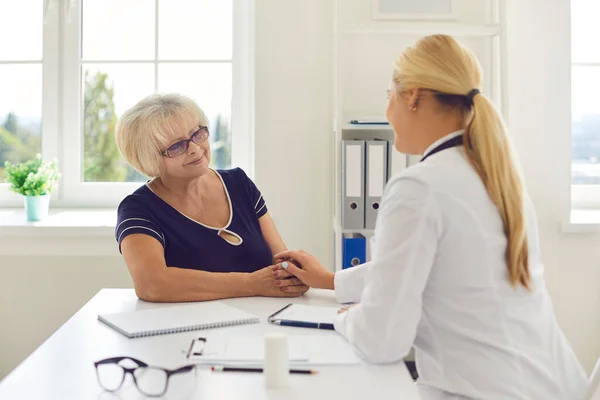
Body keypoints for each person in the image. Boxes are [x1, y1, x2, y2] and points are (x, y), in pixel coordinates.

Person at [274, 35, 587, 399]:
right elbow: (438, 266)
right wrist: (331, 280)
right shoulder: (497, 177)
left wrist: (346, 318)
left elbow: (382, 341)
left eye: (388, 93)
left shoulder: (419, 187)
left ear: (412, 96)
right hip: (555, 384)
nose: (387, 108)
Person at [114, 93, 307, 302]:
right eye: (177, 146)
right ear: (149, 157)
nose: (195, 149)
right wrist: (253, 283)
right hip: (188, 329)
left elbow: (282, 263)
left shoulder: (239, 183)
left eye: (197, 134)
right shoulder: (138, 209)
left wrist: (296, 274)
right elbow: (151, 284)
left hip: (262, 321)